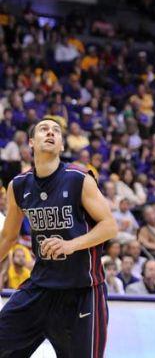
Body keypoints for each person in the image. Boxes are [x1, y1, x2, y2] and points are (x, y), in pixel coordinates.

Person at [0, 117, 118, 357]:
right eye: (44, 129)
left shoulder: (79, 178)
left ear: (62, 146)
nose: (50, 133)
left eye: (56, 131)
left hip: (82, 292)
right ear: (31, 142)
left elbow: (109, 227)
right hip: (40, 288)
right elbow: (8, 237)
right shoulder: (19, 186)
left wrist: (71, 244)